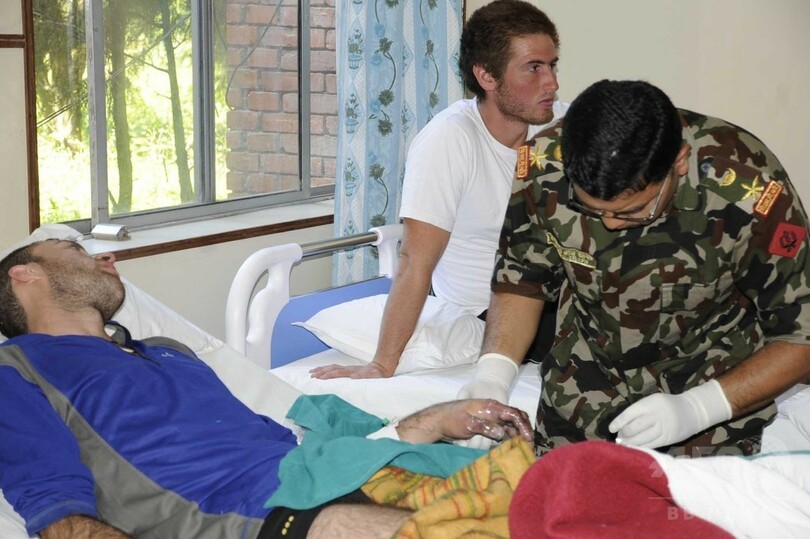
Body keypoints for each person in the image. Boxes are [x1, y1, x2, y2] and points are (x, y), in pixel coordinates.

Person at [0, 239, 533, 538]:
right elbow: (58, 514)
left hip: (318, 473)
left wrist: (428, 421)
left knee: (539, 495)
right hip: (251, 516)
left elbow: (278, 442)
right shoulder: (19, 369)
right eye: (74, 249)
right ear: (25, 276)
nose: (105, 257)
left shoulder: (168, 351)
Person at [460, 79, 810, 457]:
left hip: (712, 404)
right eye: (591, 209)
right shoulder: (544, 165)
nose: (610, 224)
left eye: (632, 211)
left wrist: (699, 408)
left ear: (679, 161)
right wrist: (493, 373)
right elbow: (522, 277)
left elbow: (801, 333)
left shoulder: (748, 190)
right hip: (581, 395)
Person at [311, 0, 566, 381]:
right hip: (491, 311)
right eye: (534, 68)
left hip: (557, 295)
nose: (552, 82)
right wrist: (382, 364)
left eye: (552, 65)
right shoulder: (449, 140)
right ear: (487, 76)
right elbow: (415, 261)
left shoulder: (561, 126)